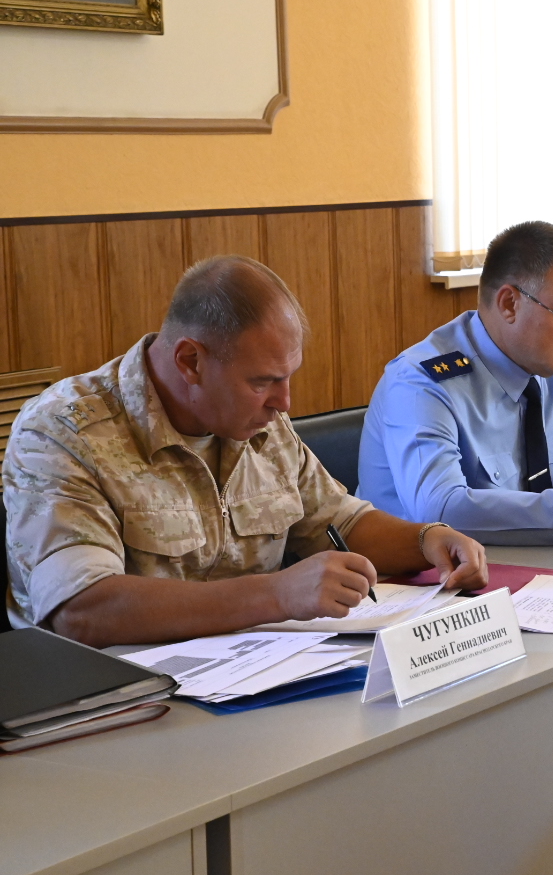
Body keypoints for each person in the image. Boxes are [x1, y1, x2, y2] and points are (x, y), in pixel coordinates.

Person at [3, 256, 489, 647]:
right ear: (190, 361)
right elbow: (81, 610)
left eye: (287, 377)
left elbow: (335, 521)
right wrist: (277, 595)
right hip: (117, 698)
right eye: (262, 382)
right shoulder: (64, 433)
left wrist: (427, 539)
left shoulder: (257, 421)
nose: (284, 402)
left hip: (252, 674)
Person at [358, 221, 553, 545]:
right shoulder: (421, 383)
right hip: (430, 573)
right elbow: (439, 510)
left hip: (542, 562)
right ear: (509, 304)